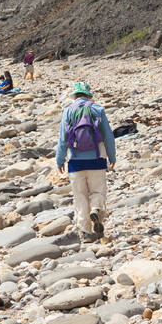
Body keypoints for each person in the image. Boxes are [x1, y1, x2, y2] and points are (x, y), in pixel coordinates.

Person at [54, 82, 117, 241]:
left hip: (75, 161)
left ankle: (86, 232)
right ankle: (96, 209)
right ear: (88, 95)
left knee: (80, 196)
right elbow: (108, 136)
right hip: (97, 158)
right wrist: (112, 156)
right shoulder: (97, 109)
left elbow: (63, 139)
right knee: (98, 191)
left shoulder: (68, 111)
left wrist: (60, 161)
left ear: (74, 96)